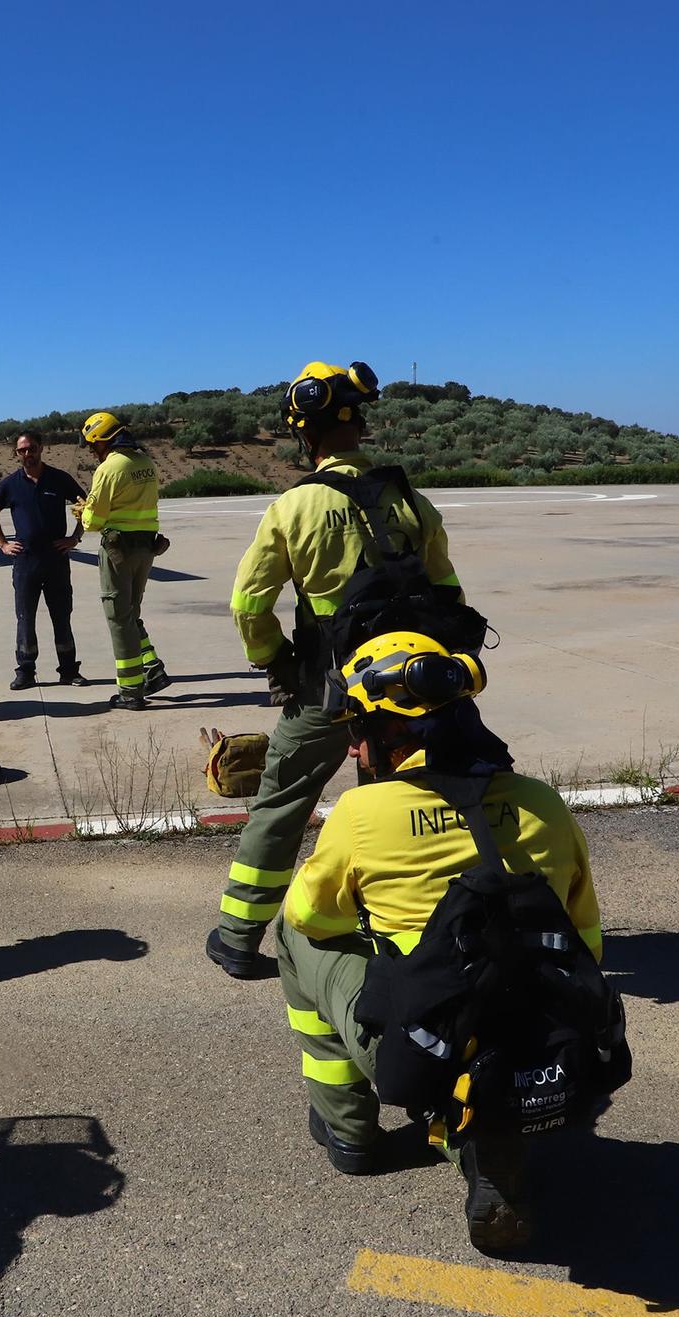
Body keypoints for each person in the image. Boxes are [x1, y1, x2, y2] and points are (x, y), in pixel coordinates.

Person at [271, 632, 602, 1252]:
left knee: (289, 935)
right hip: (547, 1037)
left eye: (356, 730)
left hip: (434, 1043)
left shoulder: (362, 815)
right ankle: (489, 1143)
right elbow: (587, 938)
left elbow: (312, 916)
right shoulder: (542, 803)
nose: (353, 745)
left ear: (384, 735)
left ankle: (350, 1131)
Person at [208, 361, 468, 980]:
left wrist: (273, 660)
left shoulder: (294, 507)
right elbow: (451, 595)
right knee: (410, 802)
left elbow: (249, 603)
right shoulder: (411, 501)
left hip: (330, 688)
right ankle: (414, 927)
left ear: (304, 432)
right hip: (416, 687)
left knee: (282, 804)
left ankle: (239, 938)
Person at [78, 411, 169, 711]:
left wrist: (82, 512)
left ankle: (131, 690)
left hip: (119, 550)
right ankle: (153, 669)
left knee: (118, 618)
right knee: (131, 613)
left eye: (93, 445)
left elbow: (94, 521)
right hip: (146, 547)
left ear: (102, 441)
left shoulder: (109, 469)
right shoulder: (145, 463)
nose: (93, 451)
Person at [0, 430, 89, 690]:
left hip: (56, 561)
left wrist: (75, 538)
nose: (27, 454)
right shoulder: (10, 484)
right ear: (17, 453)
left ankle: (68, 670)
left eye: (31, 448)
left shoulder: (59, 479)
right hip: (25, 563)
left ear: (41, 448)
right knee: (25, 619)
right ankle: (25, 671)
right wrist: (3, 544)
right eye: (22, 450)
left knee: (62, 616)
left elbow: (87, 506)